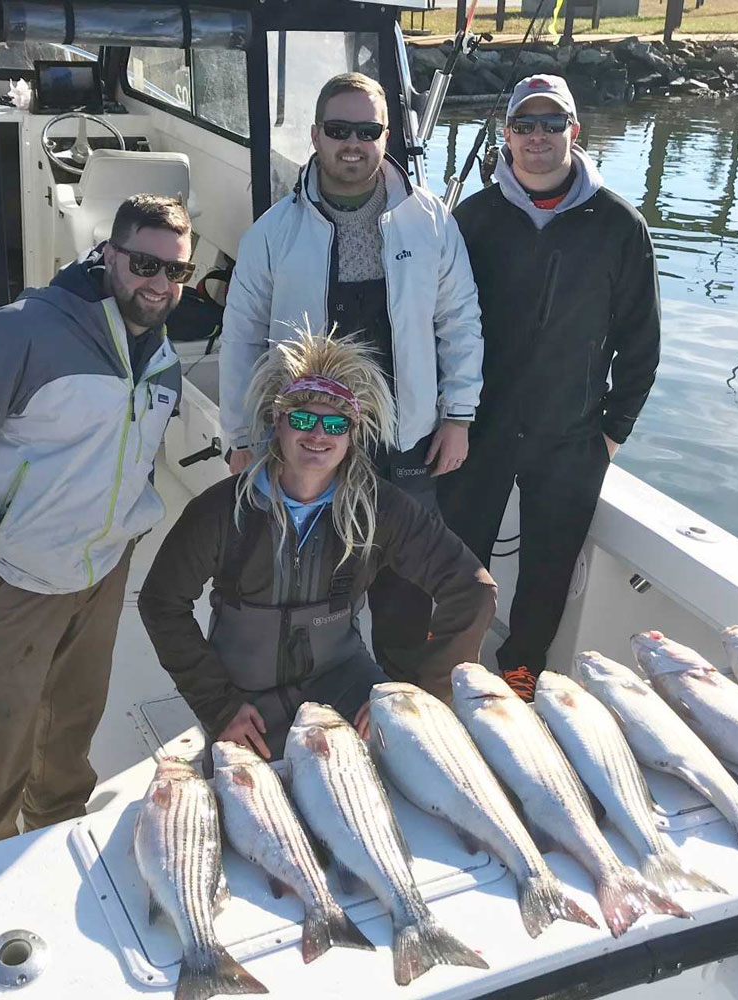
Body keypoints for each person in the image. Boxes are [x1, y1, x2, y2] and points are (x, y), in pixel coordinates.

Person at [0, 194, 192, 856]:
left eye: (175, 272)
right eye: (145, 264)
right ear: (110, 255)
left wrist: (124, 535)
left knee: (71, 729)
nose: (158, 284)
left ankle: (50, 845)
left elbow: (136, 459)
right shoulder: (21, 334)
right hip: (11, 578)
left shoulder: (162, 359)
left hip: (99, 577)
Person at [218, 71, 484, 678]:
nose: (353, 144)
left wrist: (459, 415)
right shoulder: (271, 234)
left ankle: (401, 699)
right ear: (314, 136)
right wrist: (240, 438)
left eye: (368, 131)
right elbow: (242, 342)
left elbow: (459, 322)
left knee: (405, 589)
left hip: (404, 437)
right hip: (307, 436)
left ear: (387, 137)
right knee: (309, 583)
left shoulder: (432, 223)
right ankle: (310, 695)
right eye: (339, 130)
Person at [140, 331, 496, 762]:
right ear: (278, 420)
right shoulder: (220, 511)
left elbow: (472, 588)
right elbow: (161, 601)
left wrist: (415, 697)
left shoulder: (380, 508)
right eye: (304, 419)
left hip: (343, 680)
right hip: (244, 700)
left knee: (410, 766)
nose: (318, 436)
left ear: (352, 433)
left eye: (335, 424)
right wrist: (218, 706)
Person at [439, 75, 661, 701]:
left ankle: (520, 673)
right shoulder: (473, 220)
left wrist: (613, 433)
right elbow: (439, 326)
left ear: (574, 130)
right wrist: (447, 415)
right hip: (478, 429)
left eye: (551, 123)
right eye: (525, 124)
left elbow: (641, 343)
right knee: (459, 562)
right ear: (506, 135)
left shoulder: (620, 225)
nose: (538, 136)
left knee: (548, 570)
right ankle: (451, 667)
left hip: (572, 436)